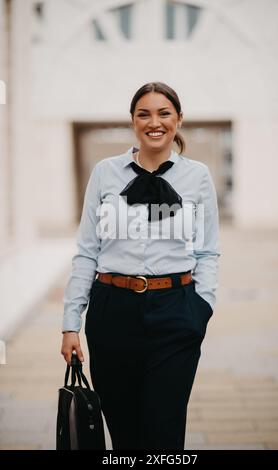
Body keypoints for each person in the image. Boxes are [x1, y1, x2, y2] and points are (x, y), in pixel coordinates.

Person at [61, 81, 221, 450]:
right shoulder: (105, 173)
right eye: (144, 114)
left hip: (176, 311)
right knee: (124, 431)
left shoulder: (197, 177)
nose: (155, 122)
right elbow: (86, 250)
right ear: (132, 121)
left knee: (164, 432)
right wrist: (71, 324)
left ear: (179, 119)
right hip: (112, 310)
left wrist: (202, 308)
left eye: (164, 113)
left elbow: (208, 251)